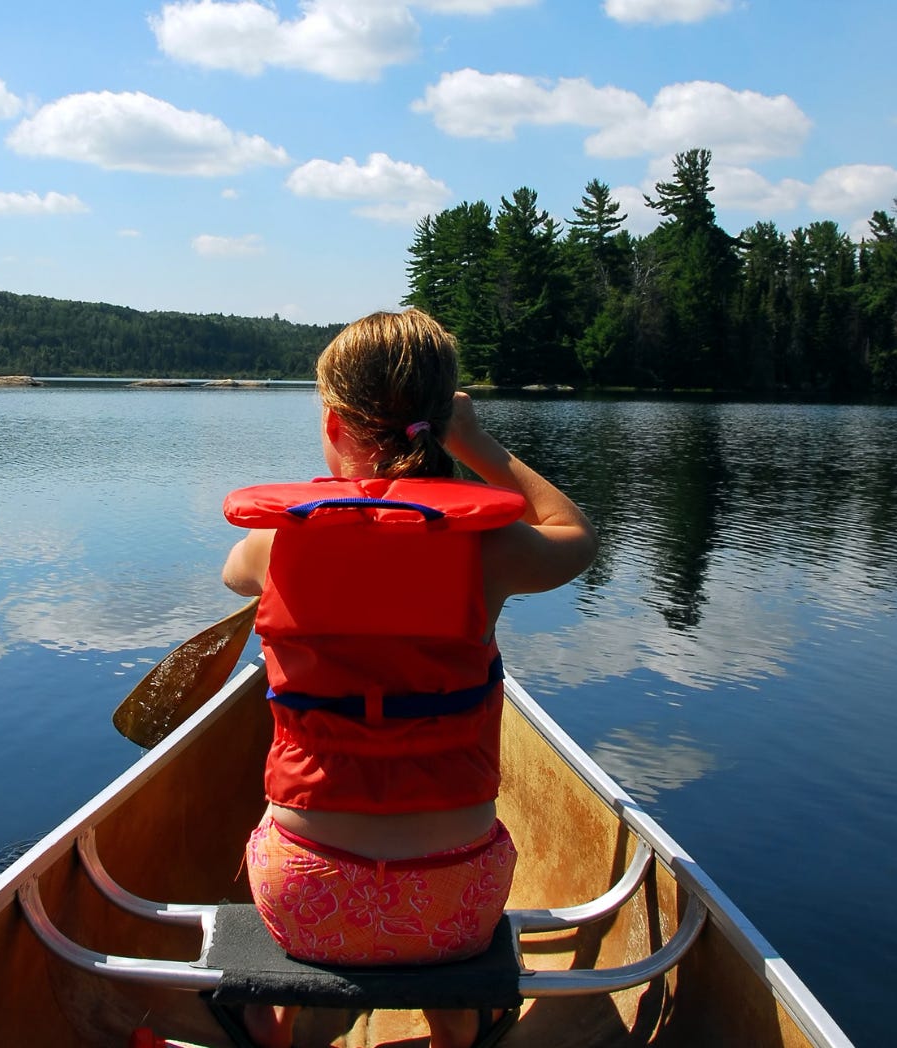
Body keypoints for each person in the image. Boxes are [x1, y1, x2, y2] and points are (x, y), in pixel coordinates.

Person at [220, 308, 598, 1048]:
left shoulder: (273, 540)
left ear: (334, 425)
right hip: (454, 905)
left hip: (305, 897)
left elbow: (234, 580)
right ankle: (456, 1024)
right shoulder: (492, 548)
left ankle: (271, 1020)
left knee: (271, 837)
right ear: (440, 424)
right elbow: (576, 536)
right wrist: (477, 443)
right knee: (449, 916)